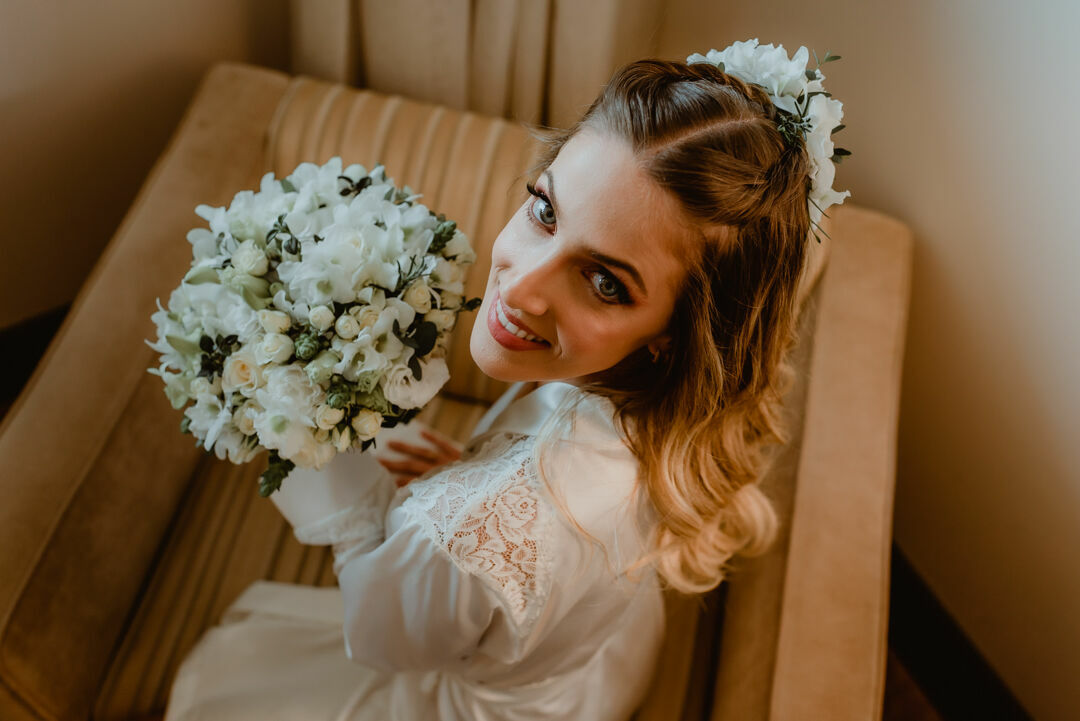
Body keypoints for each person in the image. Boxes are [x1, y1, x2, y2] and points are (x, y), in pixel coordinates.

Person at [164, 44, 846, 721]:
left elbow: (380, 636)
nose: (519, 288)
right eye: (545, 211)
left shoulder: (464, 542)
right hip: (589, 658)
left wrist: (425, 523)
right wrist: (480, 478)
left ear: (677, 332)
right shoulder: (650, 400)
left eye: (605, 282)